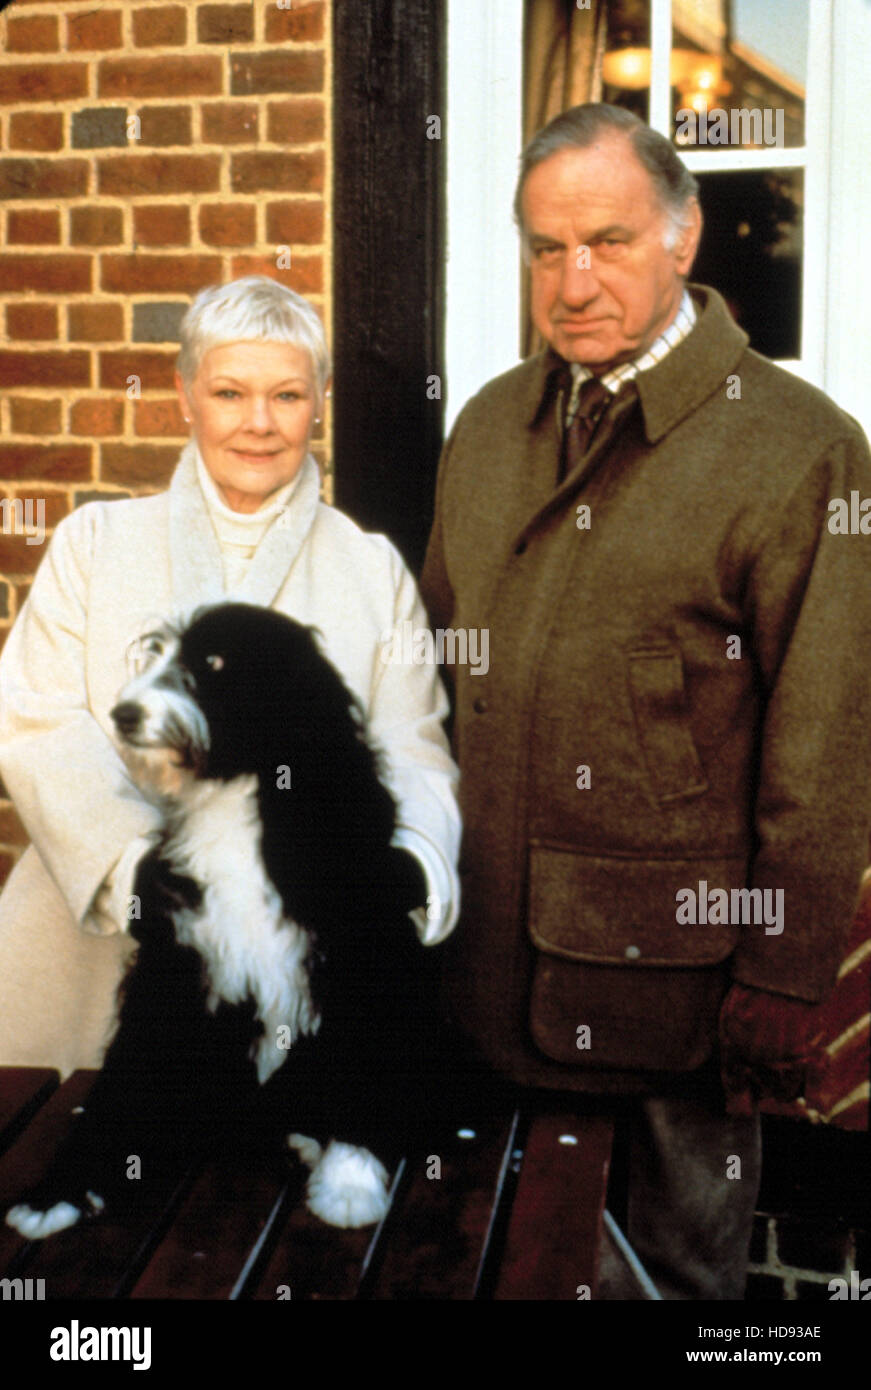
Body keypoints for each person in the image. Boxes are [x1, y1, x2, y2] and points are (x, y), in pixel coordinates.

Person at [420, 103, 871, 1299]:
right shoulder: (483, 428)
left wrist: (784, 974)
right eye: (543, 247)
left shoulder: (800, 451)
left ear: (684, 239)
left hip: (669, 992)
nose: (571, 281)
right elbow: (426, 670)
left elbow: (826, 746)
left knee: (669, 1286)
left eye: (607, 241)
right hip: (476, 971)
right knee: (481, 1266)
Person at [0, 275, 461, 1080]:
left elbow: (412, 746)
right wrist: (139, 875)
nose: (258, 423)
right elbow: (35, 727)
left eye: (285, 394)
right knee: (74, 1168)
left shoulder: (370, 568)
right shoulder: (94, 544)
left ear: (320, 399)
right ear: (184, 395)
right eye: (228, 392)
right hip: (85, 950)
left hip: (292, 966)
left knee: (253, 1198)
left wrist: (409, 865)